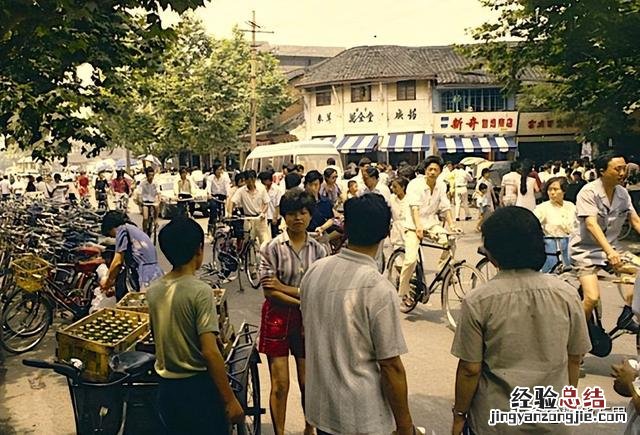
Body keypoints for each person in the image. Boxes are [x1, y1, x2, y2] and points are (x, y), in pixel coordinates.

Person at [451, 206, 591, 435]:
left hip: (496, 423)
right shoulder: (567, 294)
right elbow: (574, 359)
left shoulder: (478, 301)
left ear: (492, 252)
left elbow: (469, 369)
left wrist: (459, 415)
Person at [301, 194, 416, 435]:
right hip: (362, 417)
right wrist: (405, 426)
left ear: (347, 227)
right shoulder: (378, 288)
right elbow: (391, 366)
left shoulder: (315, 271)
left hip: (322, 411)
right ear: (385, 232)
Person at [147, 217, 244, 434]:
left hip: (167, 389)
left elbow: (158, 335)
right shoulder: (200, 291)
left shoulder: (153, 291)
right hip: (197, 390)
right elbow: (210, 351)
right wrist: (230, 400)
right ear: (199, 250)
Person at [258, 190, 327, 435]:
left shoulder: (320, 251)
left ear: (310, 215)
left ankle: (310, 428)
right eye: (291, 213)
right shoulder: (271, 248)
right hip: (277, 317)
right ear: (283, 216)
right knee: (280, 385)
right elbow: (269, 291)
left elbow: (319, 291)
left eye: (303, 213)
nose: (298, 218)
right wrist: (302, 298)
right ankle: (280, 431)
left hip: (309, 321)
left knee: (309, 384)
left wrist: (286, 288)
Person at [570, 152, 640, 326]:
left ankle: (627, 314)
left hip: (614, 249)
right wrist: (609, 252)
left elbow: (636, 220)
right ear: (602, 171)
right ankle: (576, 334)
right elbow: (591, 224)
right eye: (618, 169)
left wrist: (612, 251)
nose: (623, 173)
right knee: (592, 297)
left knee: (637, 278)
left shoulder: (623, 193)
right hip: (585, 251)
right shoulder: (588, 192)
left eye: (624, 168)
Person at [399, 156, 460, 303]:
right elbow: (414, 207)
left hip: (431, 223)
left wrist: (452, 225)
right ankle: (404, 293)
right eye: (430, 169)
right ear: (425, 170)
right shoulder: (415, 184)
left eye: (435, 170)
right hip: (413, 225)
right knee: (410, 260)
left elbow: (445, 207)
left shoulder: (441, 186)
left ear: (440, 172)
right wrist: (418, 226)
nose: (432, 172)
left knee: (450, 240)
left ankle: (441, 270)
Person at [99, 211, 163, 299]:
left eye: (111, 234)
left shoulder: (122, 230)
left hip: (145, 275)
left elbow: (118, 261)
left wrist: (108, 281)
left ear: (111, 228)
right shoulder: (132, 228)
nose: (114, 238)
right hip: (155, 272)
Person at [534, 177, 577, 273]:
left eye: (556, 189)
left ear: (564, 191)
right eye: (550, 190)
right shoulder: (542, 208)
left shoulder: (571, 206)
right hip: (552, 251)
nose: (552, 192)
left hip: (571, 250)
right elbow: (533, 224)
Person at [229, 170, 271, 249]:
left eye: (253, 180)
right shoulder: (241, 191)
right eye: (248, 180)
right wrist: (230, 213)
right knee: (247, 242)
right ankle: (245, 258)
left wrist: (263, 213)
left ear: (255, 179)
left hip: (260, 219)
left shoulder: (261, 188)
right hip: (248, 219)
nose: (251, 183)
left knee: (265, 242)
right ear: (245, 181)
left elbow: (266, 203)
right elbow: (232, 201)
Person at [304, 170, 335, 236]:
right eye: (310, 185)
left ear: (320, 185)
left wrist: (322, 228)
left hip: (321, 234)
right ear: (305, 185)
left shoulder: (325, 201)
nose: (313, 188)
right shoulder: (300, 201)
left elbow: (331, 219)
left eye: (315, 185)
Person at [136, 166, 160, 237]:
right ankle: (144, 232)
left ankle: (156, 220)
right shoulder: (143, 183)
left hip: (153, 201)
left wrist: (159, 199)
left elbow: (159, 192)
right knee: (145, 218)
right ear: (146, 175)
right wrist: (140, 200)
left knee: (157, 206)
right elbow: (139, 193)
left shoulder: (155, 183)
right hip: (145, 201)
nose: (151, 177)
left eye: (152, 175)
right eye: (149, 175)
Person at [258, 170, 283, 238]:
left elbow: (277, 204)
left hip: (273, 215)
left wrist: (275, 217)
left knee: (274, 235)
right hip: (264, 215)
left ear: (269, 180)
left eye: (264, 181)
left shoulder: (277, 189)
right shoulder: (261, 189)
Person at [206, 163, 231, 231]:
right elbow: (208, 186)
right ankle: (211, 225)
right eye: (218, 169)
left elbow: (227, 187)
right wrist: (209, 194)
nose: (219, 171)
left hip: (222, 196)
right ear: (214, 170)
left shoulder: (225, 178)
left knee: (224, 213)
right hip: (214, 197)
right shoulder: (210, 178)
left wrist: (228, 195)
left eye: (221, 169)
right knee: (213, 208)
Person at [389, 177, 409, 249]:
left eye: (395, 187)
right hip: (396, 230)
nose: (393, 189)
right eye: (392, 187)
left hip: (408, 229)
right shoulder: (391, 198)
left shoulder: (410, 199)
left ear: (403, 187)